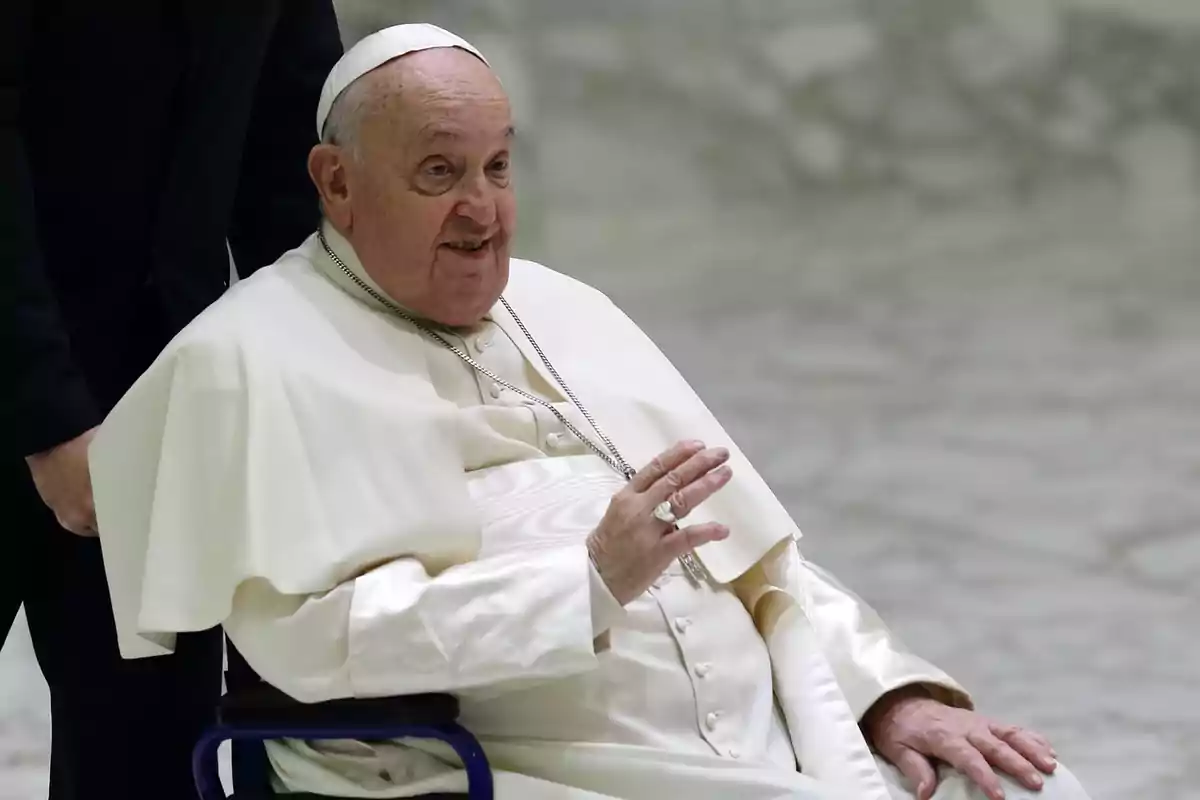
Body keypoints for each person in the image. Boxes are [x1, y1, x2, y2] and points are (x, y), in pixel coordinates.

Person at [88, 23, 1093, 800]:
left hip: (773, 737)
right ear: (338, 183)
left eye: (497, 165)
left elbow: (756, 559)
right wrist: (587, 581)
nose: (482, 212)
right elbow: (313, 643)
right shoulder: (248, 358)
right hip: (542, 764)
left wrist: (889, 690)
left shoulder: (565, 306)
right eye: (439, 173)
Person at [2, 1, 342, 797]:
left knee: (147, 761)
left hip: (161, 396)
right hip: (36, 360)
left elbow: (294, 149)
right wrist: (48, 415)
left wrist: (326, 388)